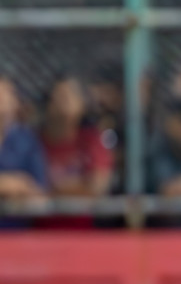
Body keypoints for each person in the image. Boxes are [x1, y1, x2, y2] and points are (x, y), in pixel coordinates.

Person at [39, 75, 112, 228]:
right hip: (41, 230)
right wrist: (79, 187)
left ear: (82, 104)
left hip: (82, 231)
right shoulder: (35, 142)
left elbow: (97, 187)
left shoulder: (91, 140)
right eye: (59, 96)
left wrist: (55, 190)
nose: (64, 102)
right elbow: (33, 191)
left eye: (70, 96)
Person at [0, 75, 47, 202]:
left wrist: (21, 186)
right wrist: (10, 183)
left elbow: (39, 189)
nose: (2, 100)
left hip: (15, 219)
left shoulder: (27, 140)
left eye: (7, 94)